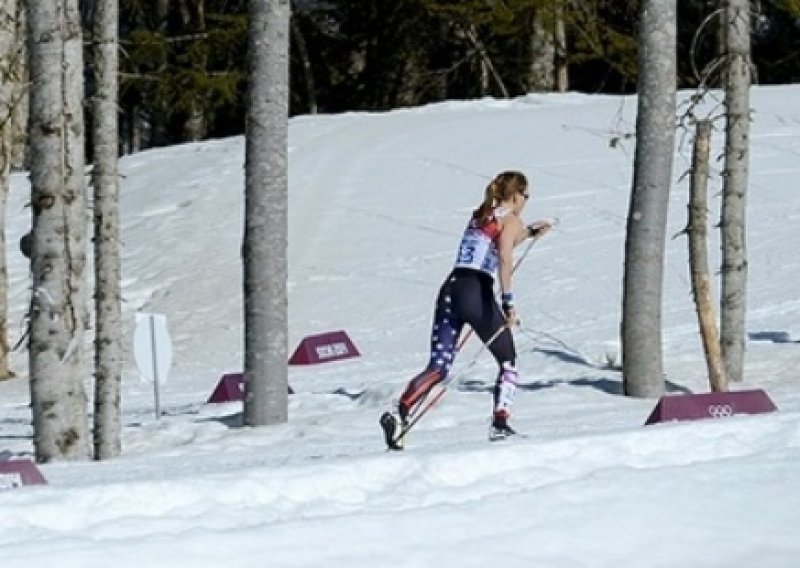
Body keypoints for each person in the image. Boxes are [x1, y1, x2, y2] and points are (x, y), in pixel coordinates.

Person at [382, 170, 552, 448]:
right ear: (516, 194)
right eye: (527, 195)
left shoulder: (481, 215)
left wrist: (530, 232)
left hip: (451, 290)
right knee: (508, 362)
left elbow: (498, 242)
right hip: (476, 292)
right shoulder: (511, 219)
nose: (527, 200)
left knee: (439, 366)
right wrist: (508, 302)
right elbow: (505, 259)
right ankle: (500, 423)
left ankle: (399, 410)